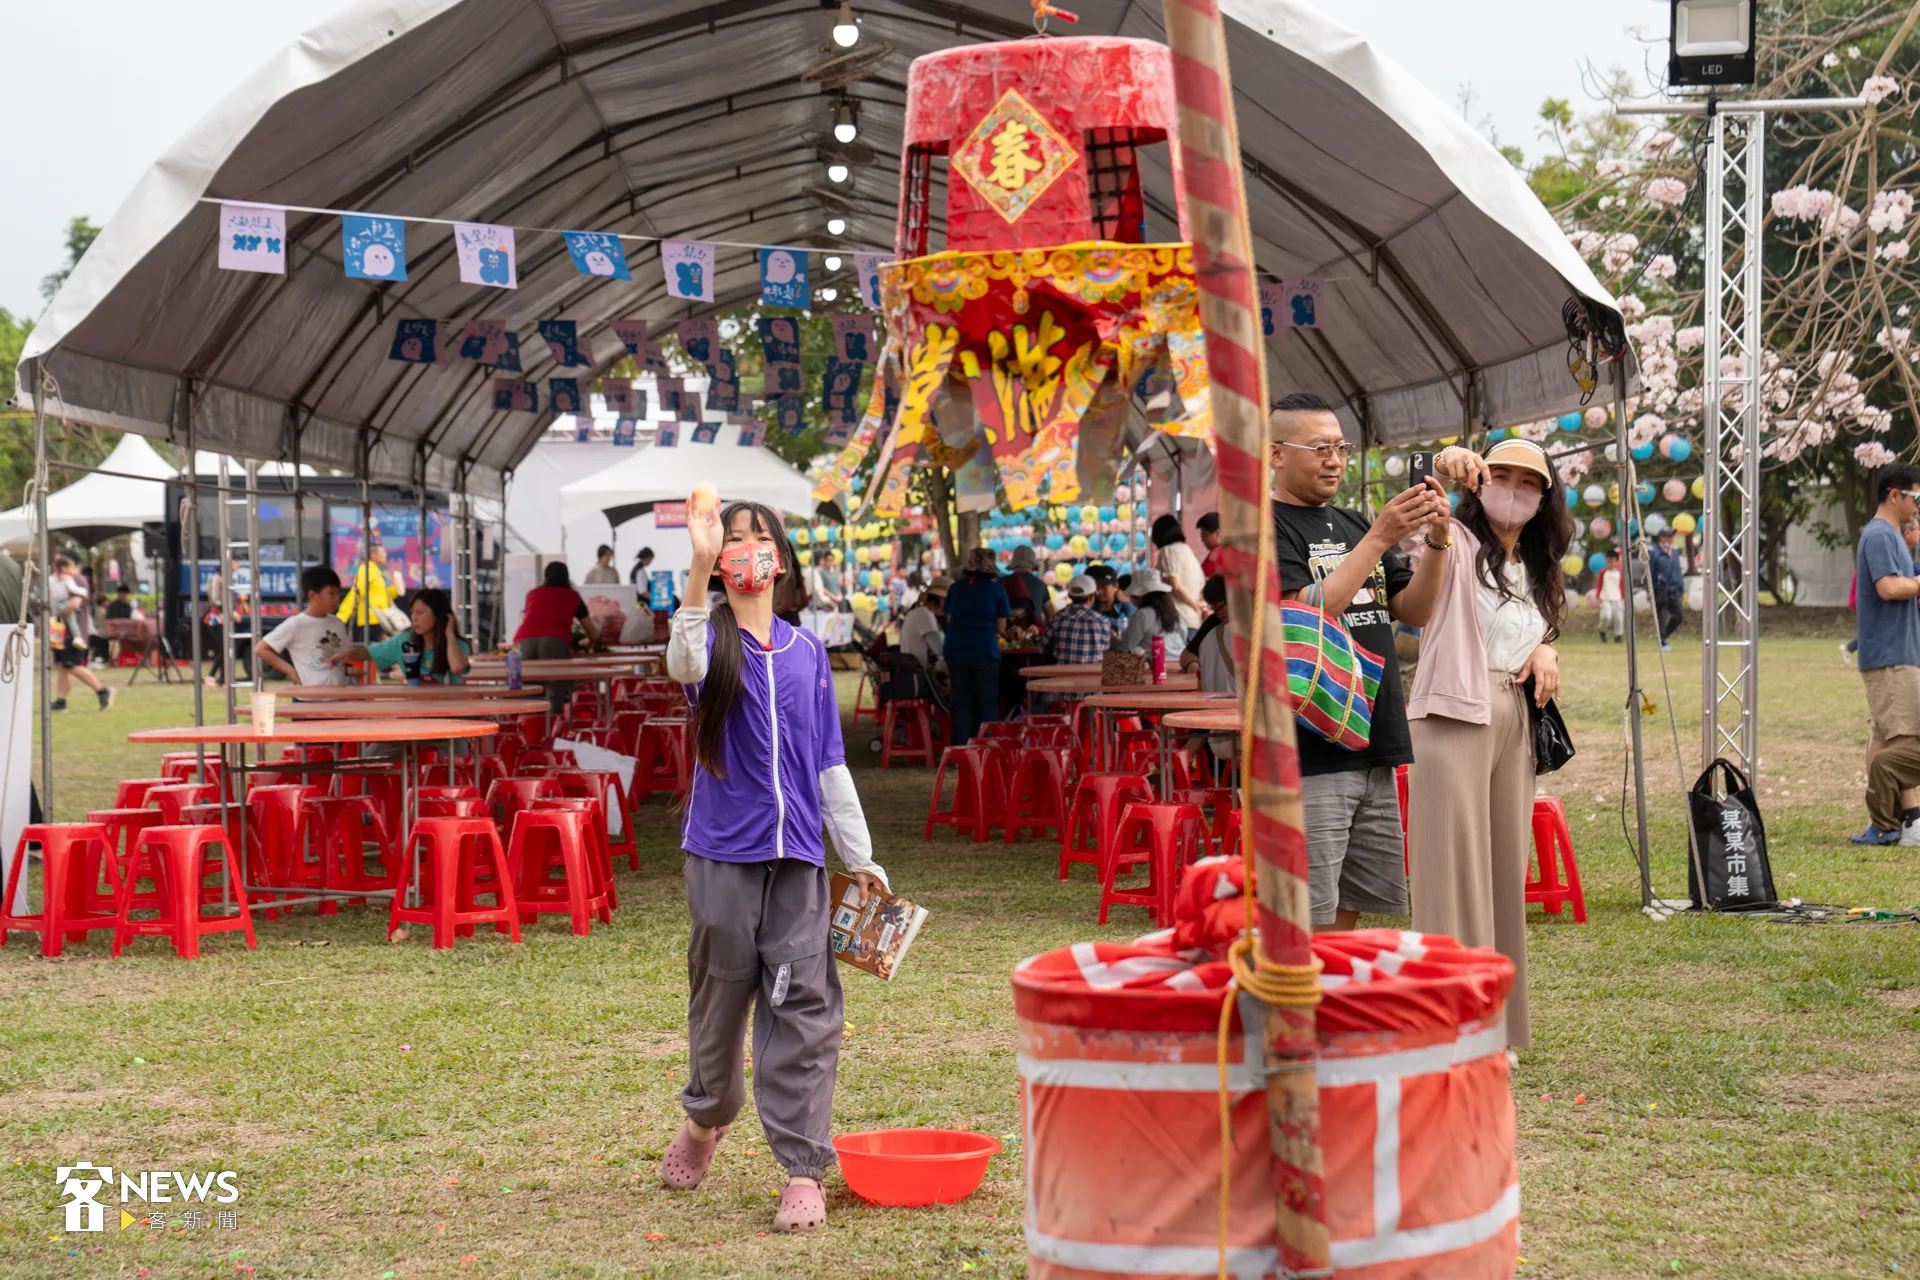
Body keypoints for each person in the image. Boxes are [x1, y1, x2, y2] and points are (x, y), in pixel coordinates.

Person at [662, 495, 889, 1234]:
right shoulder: (709, 640)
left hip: (799, 865)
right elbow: (681, 659)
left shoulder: (808, 652)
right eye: (733, 540)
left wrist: (859, 857)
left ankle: (801, 1168)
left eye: (760, 539)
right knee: (720, 1000)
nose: (747, 549)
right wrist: (698, 567)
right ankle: (707, 1119)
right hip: (722, 858)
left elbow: (828, 763)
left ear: (781, 561)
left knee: (806, 1008)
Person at [1405, 437, 1573, 1051]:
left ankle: (1498, 1027)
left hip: (1516, 717)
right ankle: (1449, 1028)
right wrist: (1442, 467)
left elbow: (1526, 628)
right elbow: (1427, 547)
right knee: (1453, 873)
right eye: (1500, 476)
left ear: (1544, 498)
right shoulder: (1454, 542)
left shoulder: (1534, 563)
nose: (1513, 490)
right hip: (1453, 712)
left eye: (1528, 482)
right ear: (1480, 482)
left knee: (1505, 873)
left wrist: (1545, 646)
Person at [1269, 393, 1446, 935]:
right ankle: (1304, 1009)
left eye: (1341, 447)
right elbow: (1306, 612)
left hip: (1375, 738)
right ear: (1276, 454)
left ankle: (1332, 1009)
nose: (1335, 460)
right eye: (1319, 447)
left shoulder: (1350, 522)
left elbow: (1412, 608)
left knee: (1353, 902)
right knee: (1312, 909)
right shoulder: (1264, 527)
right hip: (1312, 743)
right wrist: (1379, 537)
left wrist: (1437, 542)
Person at [1851, 463, 1920, 845]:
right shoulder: (1879, 535)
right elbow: (1889, 588)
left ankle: (1885, 823)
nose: (1918, 506)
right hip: (1891, 655)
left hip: (1896, 650)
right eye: (1916, 497)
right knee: (1904, 741)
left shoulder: (1892, 535)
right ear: (1895, 494)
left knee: (1885, 739)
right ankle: (1906, 821)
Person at [940, 548, 1010, 745]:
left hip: (955, 649)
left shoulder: (955, 588)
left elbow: (948, 618)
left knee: (962, 701)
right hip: (985, 650)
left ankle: (961, 749)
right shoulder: (997, 590)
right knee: (987, 702)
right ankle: (987, 748)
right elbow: (1001, 627)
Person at [335, 588, 470, 684]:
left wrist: (449, 634)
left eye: (420, 613)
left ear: (438, 616)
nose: (414, 618)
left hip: (450, 715)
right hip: (416, 712)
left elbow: (457, 667)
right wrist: (347, 653)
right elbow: (368, 653)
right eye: (413, 613)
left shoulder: (458, 645)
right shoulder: (405, 641)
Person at [516, 561, 599, 711]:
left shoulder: (533, 594)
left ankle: (528, 726)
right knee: (555, 689)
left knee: (528, 689)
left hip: (525, 640)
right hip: (555, 640)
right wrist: (589, 642)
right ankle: (553, 727)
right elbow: (591, 631)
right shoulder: (572, 596)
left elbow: (525, 618)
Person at [256, 566, 350, 687]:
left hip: (338, 698)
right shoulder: (296, 624)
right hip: (307, 699)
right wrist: (289, 671)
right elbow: (261, 649)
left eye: (338, 593)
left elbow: (344, 655)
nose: (336, 599)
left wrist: (349, 670)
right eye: (331, 593)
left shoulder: (338, 623)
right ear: (312, 595)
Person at [47, 554, 113, 711]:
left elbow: (73, 605)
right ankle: (60, 701)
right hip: (61, 632)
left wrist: (57, 609)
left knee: (71, 665)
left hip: (73, 634)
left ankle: (102, 690)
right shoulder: (58, 579)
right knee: (62, 665)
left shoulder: (75, 580)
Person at [1115, 567, 1188, 662]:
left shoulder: (1142, 615)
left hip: (1156, 668)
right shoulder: (1177, 615)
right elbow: (1184, 639)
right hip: (1179, 664)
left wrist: (1114, 640)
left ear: (1139, 596)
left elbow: (1126, 649)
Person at [1150, 514, 1207, 633]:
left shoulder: (1168, 551)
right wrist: (1198, 606)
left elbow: (1174, 585)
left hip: (1178, 621)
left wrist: (1194, 605)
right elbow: (1201, 586)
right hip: (1194, 621)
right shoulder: (1187, 550)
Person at [1045, 574, 1110, 666]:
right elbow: (1106, 650)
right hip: (1093, 678)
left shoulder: (1057, 618)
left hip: (1062, 678)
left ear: (1069, 596)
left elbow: (1042, 648)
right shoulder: (1103, 621)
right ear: (1092, 597)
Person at [338, 541, 400, 634]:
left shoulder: (377, 572)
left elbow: (384, 596)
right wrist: (342, 617)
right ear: (373, 555)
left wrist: (397, 588)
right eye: (382, 552)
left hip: (381, 619)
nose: (385, 555)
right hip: (371, 619)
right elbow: (357, 592)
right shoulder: (365, 570)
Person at [1180, 575, 1229, 674]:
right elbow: (1187, 655)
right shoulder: (1214, 622)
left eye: (1218, 606)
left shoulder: (1253, 624)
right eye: (1212, 606)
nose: (1216, 612)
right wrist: (1193, 667)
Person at [1646, 528, 1686, 651]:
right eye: (1667, 536)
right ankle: (1662, 642)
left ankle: (1663, 636)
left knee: (1678, 615)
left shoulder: (1674, 552)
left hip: (1674, 589)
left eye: (1671, 536)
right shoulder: (1654, 553)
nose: (1670, 539)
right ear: (1661, 537)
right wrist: (1649, 589)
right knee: (1661, 616)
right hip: (1660, 589)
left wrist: (1681, 589)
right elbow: (1650, 572)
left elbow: (1678, 571)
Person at [899, 576, 948, 672]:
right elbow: (942, 649)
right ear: (940, 599)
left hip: (913, 671)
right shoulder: (924, 615)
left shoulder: (920, 613)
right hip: (919, 675)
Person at [1002, 545, 1055, 620]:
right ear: (1033, 566)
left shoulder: (1001, 582)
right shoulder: (1040, 585)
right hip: (1034, 629)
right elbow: (1051, 616)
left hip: (1005, 629)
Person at [1086, 564, 1135, 633]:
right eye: (1097, 587)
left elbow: (1131, 627)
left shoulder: (1127, 608)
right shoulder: (1089, 608)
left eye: (1104, 587)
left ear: (1116, 587)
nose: (1099, 590)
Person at [1595, 548, 1626, 643]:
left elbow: (1622, 586)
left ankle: (1618, 635)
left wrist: (1623, 599)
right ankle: (1602, 631)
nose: (1610, 564)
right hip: (1605, 598)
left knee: (1618, 618)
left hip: (1617, 598)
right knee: (1606, 616)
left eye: (1612, 561)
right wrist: (1598, 596)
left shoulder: (1620, 573)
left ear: (1616, 561)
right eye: (1608, 561)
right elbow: (1600, 584)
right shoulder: (1603, 572)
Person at [1196, 511, 1223, 579]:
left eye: (1205, 535)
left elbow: (1201, 579)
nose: (1202, 540)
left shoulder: (1215, 555)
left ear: (1217, 534)